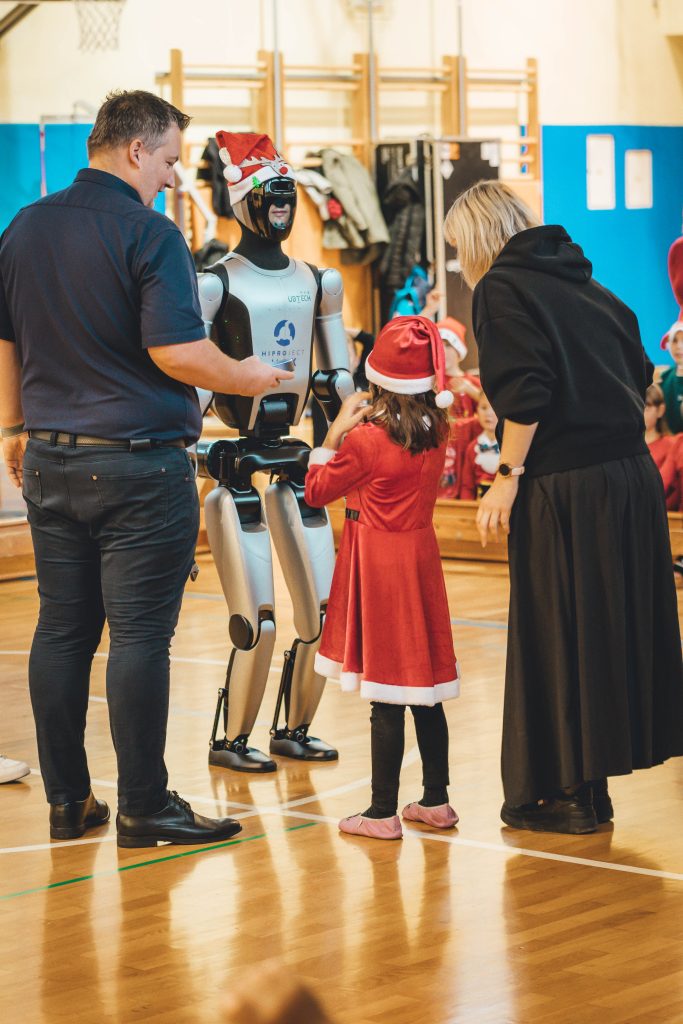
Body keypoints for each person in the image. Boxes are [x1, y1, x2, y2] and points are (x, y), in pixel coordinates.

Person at [0, 90, 292, 847]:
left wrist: (14, 427)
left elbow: (7, 341)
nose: (169, 176)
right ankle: (144, 805)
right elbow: (176, 352)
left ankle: (69, 803)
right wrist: (246, 374)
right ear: (135, 150)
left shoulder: (24, 226)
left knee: (62, 631)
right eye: (166, 160)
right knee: (137, 638)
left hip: (50, 460)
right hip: (138, 470)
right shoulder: (150, 233)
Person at [444, 180, 683, 835]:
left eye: (460, 248)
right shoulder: (588, 284)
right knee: (602, 631)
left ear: (480, 238)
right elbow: (639, 370)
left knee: (555, 631)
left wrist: (507, 474)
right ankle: (590, 789)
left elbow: (527, 392)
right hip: (629, 480)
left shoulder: (502, 287)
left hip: (565, 485)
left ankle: (560, 794)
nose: (461, 263)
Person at [305, 316, 460, 841]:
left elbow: (317, 490)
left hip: (378, 565)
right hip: (419, 558)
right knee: (424, 689)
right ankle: (436, 801)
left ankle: (381, 812)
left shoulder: (367, 440)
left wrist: (334, 431)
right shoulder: (437, 429)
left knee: (387, 692)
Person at [437, 316, 481, 419]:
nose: (443, 351)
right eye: (439, 346)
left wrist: (471, 390)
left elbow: (492, 409)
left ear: (459, 350)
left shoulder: (473, 383)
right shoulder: (431, 382)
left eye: (448, 346)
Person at [459, 391, 500, 500]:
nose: (488, 413)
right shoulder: (472, 448)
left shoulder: (513, 447)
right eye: (484, 408)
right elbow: (467, 487)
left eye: (494, 408)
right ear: (477, 411)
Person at [644, 383, 673, 474]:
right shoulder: (628, 446)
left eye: (646, 407)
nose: (640, 412)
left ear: (660, 410)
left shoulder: (672, 446)